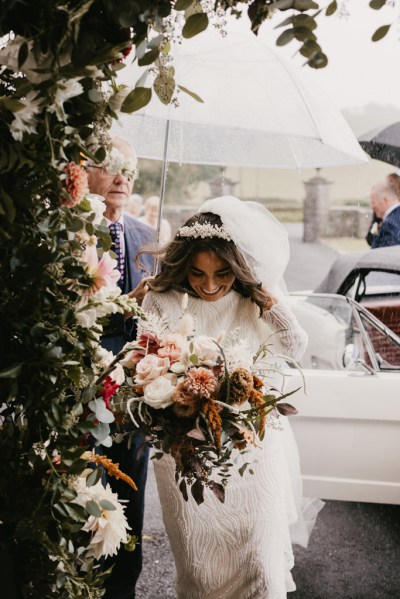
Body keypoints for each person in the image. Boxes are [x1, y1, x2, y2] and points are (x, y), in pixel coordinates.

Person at [140, 196, 314, 598]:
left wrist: (268, 301)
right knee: (199, 571)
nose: (211, 284)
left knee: (259, 565)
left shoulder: (252, 298)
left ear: (237, 268)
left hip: (250, 446)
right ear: (184, 266)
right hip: (184, 448)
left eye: (223, 273)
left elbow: (294, 344)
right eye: (198, 273)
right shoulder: (161, 298)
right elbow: (143, 363)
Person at [86, 136, 155, 599]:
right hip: (85, 386)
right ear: (85, 171)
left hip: (137, 394)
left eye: (128, 169)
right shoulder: (71, 234)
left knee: (133, 492)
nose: (121, 177)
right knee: (89, 492)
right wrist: (127, 306)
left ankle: (123, 589)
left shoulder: (147, 237)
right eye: (109, 165)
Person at [369, 176, 400, 248]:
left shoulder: (391, 224)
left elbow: (384, 256)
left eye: (373, 202)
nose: (371, 207)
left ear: (385, 200)